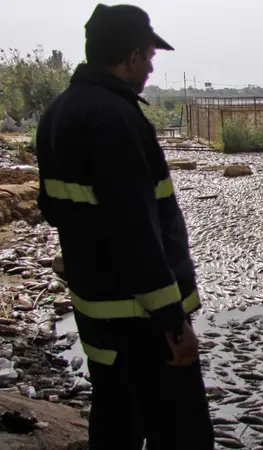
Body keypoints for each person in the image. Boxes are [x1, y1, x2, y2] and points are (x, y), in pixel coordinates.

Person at [36, 4, 213, 449]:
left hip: (96, 316)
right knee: (181, 434)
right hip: (142, 326)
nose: (152, 67)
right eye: (150, 56)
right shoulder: (115, 120)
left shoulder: (58, 114)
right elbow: (136, 232)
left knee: (116, 424)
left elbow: (55, 209)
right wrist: (173, 323)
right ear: (132, 55)